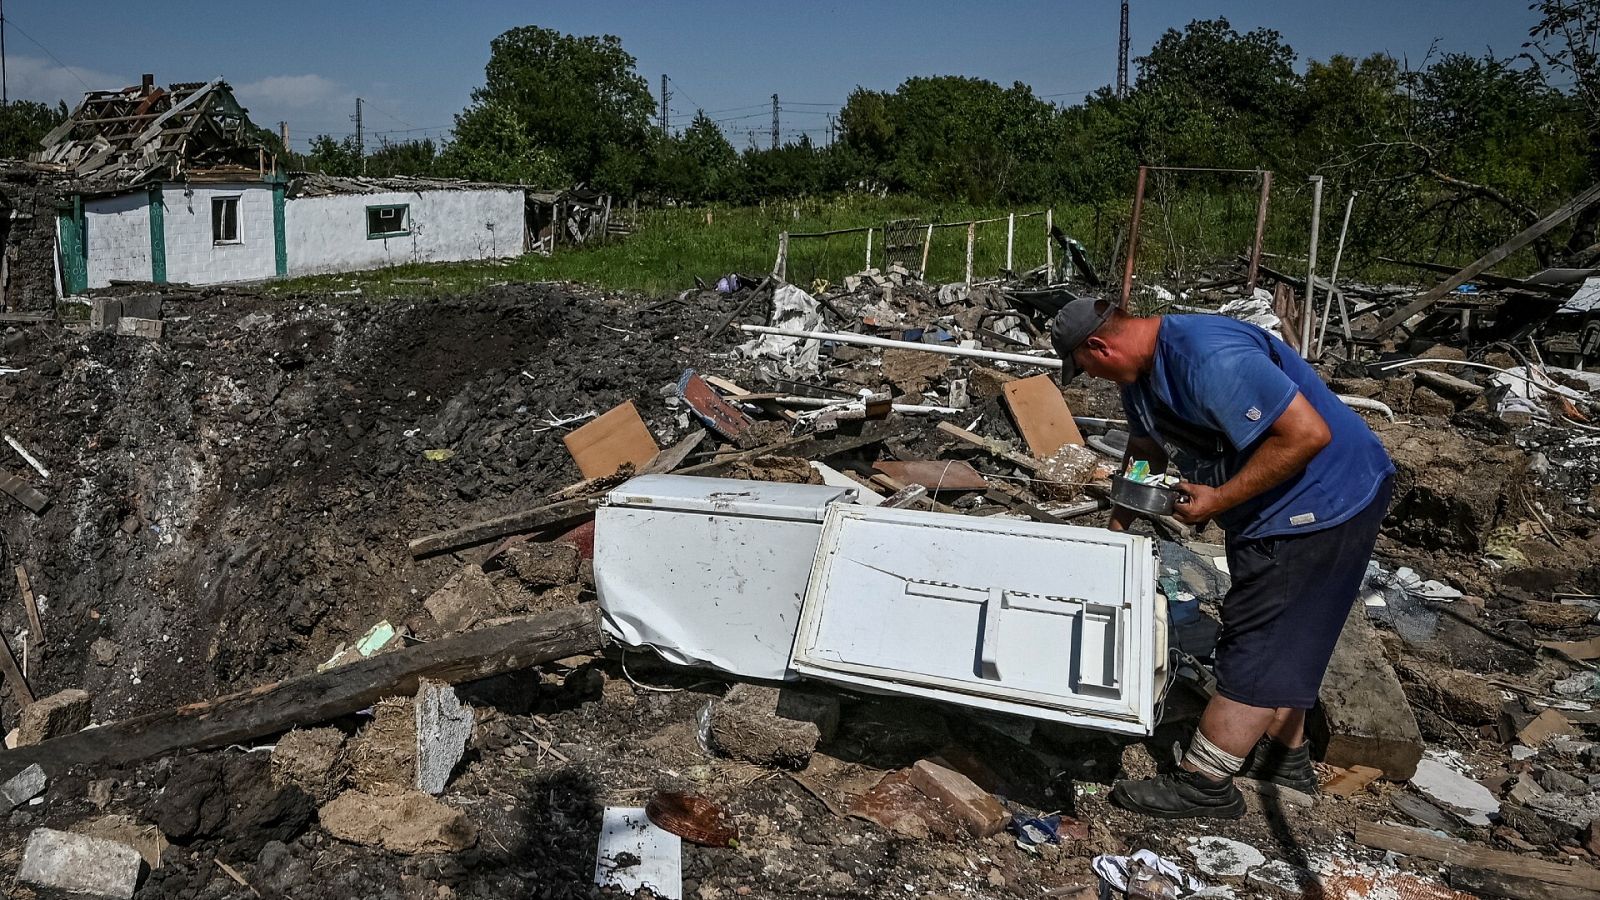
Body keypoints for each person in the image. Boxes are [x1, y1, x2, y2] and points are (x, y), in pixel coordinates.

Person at [1050, 296, 1394, 819]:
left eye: (1086, 367)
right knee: (1287, 631)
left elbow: (1307, 434)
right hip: (1271, 504)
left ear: (1100, 344)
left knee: (1259, 637)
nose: (1091, 377)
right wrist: (1115, 532)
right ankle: (1284, 759)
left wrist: (1219, 498)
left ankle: (1204, 782)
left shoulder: (1205, 358)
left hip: (1325, 498)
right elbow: (1145, 451)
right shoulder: (1137, 376)